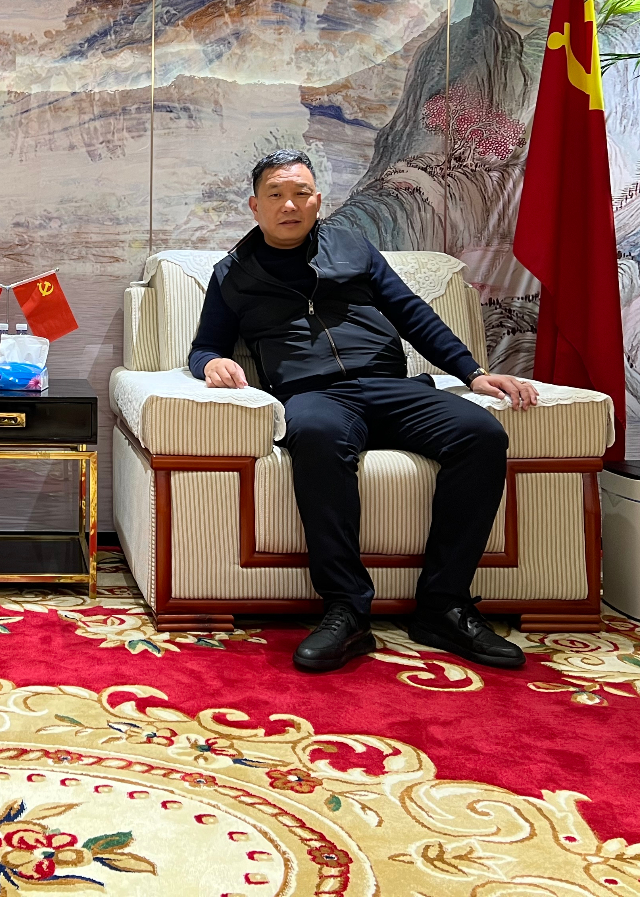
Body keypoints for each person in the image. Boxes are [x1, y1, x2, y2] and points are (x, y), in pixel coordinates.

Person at [190, 148, 538, 673]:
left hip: (388, 385)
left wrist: (472, 372)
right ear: (255, 206)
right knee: (316, 435)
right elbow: (204, 346)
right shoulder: (232, 273)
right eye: (276, 194)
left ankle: (443, 607)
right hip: (314, 396)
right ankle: (347, 610)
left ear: (318, 200)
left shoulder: (353, 247)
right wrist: (212, 362)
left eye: (300, 193)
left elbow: (411, 313)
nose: (289, 204)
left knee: (480, 433)